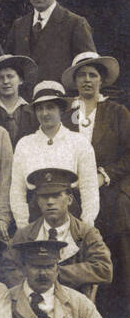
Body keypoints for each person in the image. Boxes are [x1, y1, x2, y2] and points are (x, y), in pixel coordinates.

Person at [62, 51, 130, 316]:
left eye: (93, 75)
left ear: (102, 81)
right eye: (82, 75)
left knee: (115, 253)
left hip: (112, 194)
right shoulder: (67, 111)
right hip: (74, 193)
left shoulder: (116, 112)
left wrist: (105, 174)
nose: (87, 80)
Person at [0, 168, 112, 300]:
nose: (50, 202)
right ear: (37, 201)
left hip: (74, 304)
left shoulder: (86, 233)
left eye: (56, 195)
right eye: (44, 196)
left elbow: (104, 268)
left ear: (69, 199)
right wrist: (30, 291)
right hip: (33, 302)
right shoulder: (25, 234)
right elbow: (8, 266)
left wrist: (54, 273)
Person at [9, 81, 98, 227]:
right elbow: (17, 190)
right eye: (40, 108)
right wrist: (23, 226)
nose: (45, 113)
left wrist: (86, 224)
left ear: (61, 110)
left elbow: (89, 187)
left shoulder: (78, 142)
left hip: (71, 212)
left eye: (50, 107)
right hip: (35, 213)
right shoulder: (25, 144)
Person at [1, 0, 95, 84]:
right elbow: (8, 65)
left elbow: (89, 70)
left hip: (60, 99)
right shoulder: (19, 25)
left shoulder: (75, 23)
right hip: (25, 100)